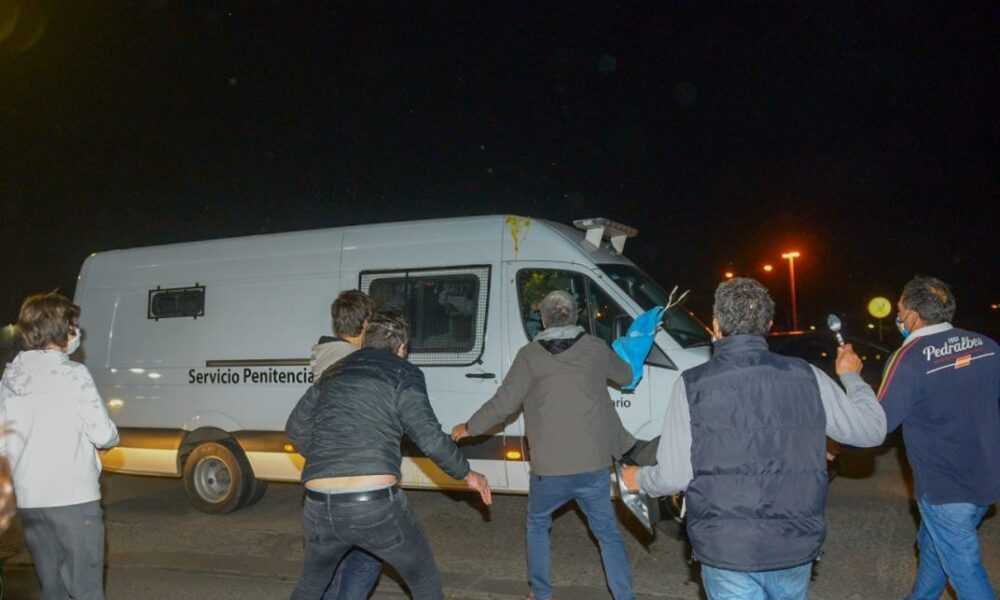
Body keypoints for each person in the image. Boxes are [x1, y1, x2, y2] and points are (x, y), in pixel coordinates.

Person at [622, 277, 886, 600]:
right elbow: (872, 430)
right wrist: (851, 377)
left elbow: (674, 477)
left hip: (727, 550)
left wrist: (638, 478)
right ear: (769, 325)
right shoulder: (808, 376)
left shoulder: (692, 385)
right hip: (793, 545)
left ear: (715, 325)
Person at [287, 312, 492, 600]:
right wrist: (467, 473)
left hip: (319, 504)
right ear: (402, 348)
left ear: (364, 341)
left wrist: (328, 460)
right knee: (423, 578)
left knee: (311, 585)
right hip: (374, 505)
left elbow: (295, 428)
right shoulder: (402, 372)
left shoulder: (333, 372)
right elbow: (429, 436)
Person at [452, 290, 638, 600]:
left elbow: (503, 404)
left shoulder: (529, 356)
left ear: (543, 319)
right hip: (593, 465)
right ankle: (624, 596)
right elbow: (626, 375)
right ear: (575, 316)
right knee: (607, 533)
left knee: (538, 525)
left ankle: (540, 593)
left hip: (549, 470)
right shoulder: (595, 348)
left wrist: (469, 427)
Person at [879, 276, 999, 600]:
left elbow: (880, 423)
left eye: (900, 310)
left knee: (965, 570)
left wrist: (851, 381)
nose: (899, 317)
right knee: (933, 546)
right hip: (986, 477)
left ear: (913, 314)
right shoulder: (987, 346)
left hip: (945, 486)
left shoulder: (908, 357)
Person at [0, 292, 119, 600]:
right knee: (86, 589)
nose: (76, 332)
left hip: (31, 501)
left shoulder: (10, 378)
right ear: (58, 328)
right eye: (72, 325)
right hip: (73, 498)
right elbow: (103, 434)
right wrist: (109, 439)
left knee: (52, 588)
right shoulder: (73, 375)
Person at [306, 290, 385, 600]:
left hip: (322, 483)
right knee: (368, 556)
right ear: (365, 324)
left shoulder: (325, 359)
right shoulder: (356, 364)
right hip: (357, 482)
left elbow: (299, 426)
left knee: (335, 562)